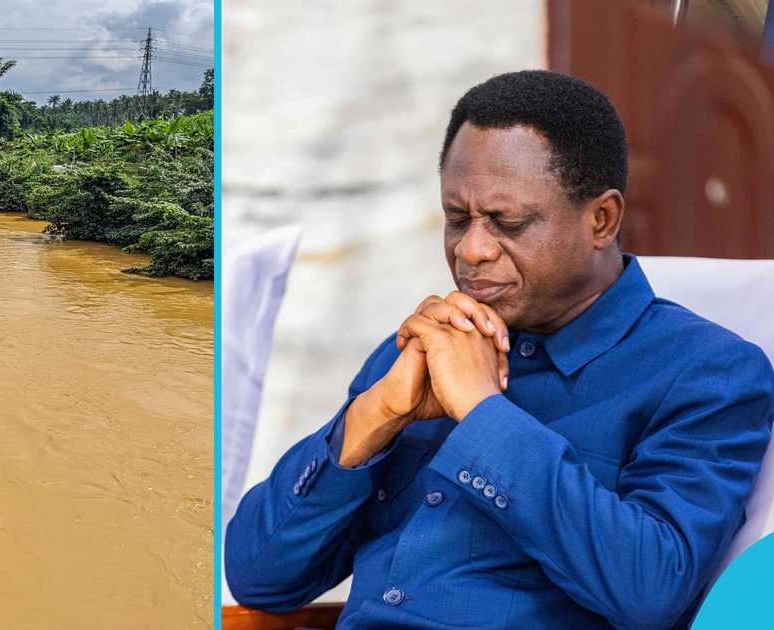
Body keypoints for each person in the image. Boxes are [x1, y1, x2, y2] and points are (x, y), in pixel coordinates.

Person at [224, 70, 774, 629]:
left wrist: (482, 414)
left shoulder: (710, 373)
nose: (471, 249)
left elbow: (650, 589)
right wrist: (374, 416)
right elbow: (258, 577)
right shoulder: (421, 353)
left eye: (506, 222)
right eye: (456, 218)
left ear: (601, 220)